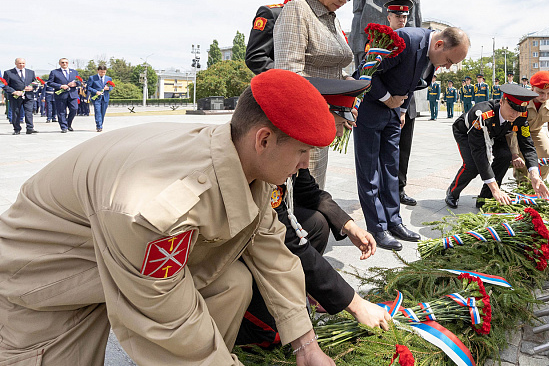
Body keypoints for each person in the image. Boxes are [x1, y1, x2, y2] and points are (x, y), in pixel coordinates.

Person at [0, 69, 338, 365]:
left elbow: (274, 256)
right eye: (302, 151)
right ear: (263, 139)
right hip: (49, 271)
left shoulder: (245, 160)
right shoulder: (162, 209)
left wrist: (306, 346)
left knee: (232, 283)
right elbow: (169, 321)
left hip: (115, 251)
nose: (305, 164)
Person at [237, 77, 390, 349]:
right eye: (304, 151)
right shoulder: (268, 153)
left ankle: (301, 288)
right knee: (271, 336)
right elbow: (288, 241)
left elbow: (310, 193)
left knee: (316, 223)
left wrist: (350, 226)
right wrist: (354, 303)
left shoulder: (285, 148)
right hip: (228, 265)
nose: (305, 162)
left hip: (262, 240)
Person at [354, 27, 470, 250]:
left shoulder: (429, 52)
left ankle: (393, 221)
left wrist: (402, 109)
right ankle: (377, 228)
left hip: (393, 113)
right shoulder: (404, 40)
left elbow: (413, 82)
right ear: (439, 45)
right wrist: (389, 100)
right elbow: (366, 72)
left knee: (390, 169)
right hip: (370, 110)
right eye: (448, 60)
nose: (447, 67)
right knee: (370, 171)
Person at [274, 0, 362, 191]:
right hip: (299, 131)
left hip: (322, 126)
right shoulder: (298, 11)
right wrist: (327, 115)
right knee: (301, 203)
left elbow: (331, 70)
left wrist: (350, 92)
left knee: (314, 193)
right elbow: (289, 79)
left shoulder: (331, 17)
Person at [444, 84, 549, 209]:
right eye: (512, 109)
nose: (515, 115)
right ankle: (452, 192)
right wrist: (495, 188)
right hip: (467, 132)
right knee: (472, 166)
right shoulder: (481, 115)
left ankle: (485, 198)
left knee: (505, 156)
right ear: (502, 101)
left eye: (519, 111)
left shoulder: (521, 116)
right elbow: (479, 153)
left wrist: (535, 175)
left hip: (497, 133)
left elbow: (527, 145)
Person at [246, 0, 315, 75]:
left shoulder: (316, 16)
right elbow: (255, 57)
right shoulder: (272, 14)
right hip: (287, 86)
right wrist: (288, 75)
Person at [385, 0, 418, 206]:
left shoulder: (413, 40)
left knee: (403, 150)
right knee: (387, 152)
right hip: (386, 104)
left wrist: (404, 109)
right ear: (389, 17)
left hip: (407, 106)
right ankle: (384, 190)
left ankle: (399, 189)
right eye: (398, 16)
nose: (402, 19)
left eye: (405, 16)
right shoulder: (381, 40)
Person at [509, 71, 549, 181]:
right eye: (540, 92)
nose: (544, 97)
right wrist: (514, 153)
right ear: (532, 88)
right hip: (516, 132)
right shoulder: (520, 100)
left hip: (535, 131)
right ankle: (523, 187)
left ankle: (538, 184)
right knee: (522, 161)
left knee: (548, 157)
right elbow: (510, 128)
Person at [2, 58, 37, 135]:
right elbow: (4, 85)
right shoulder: (8, 73)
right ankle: (17, 129)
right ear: (15, 63)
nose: (22, 65)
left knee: (29, 112)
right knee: (16, 112)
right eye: (20, 63)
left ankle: (30, 128)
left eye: (23, 63)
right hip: (15, 96)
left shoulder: (30, 72)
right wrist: (14, 91)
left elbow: (35, 83)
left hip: (28, 96)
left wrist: (32, 87)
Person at [47, 58, 79, 133]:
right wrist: (60, 86)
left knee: (74, 109)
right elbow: (50, 83)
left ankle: (68, 123)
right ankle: (63, 127)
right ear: (59, 63)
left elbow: (80, 82)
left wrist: (75, 84)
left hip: (72, 94)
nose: (64, 64)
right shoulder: (54, 72)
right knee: (61, 111)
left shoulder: (74, 72)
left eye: (66, 62)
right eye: (62, 62)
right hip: (61, 95)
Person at [87, 64, 114, 132]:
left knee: (103, 112)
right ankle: (99, 126)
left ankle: (100, 124)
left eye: (104, 72)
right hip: (96, 98)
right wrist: (96, 92)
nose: (102, 73)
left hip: (105, 97)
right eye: (101, 72)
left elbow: (111, 86)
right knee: (97, 111)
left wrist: (108, 88)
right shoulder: (92, 78)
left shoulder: (109, 78)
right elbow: (88, 87)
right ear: (98, 71)